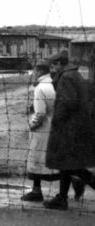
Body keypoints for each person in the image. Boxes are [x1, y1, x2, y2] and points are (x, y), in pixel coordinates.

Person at [43, 50, 95, 210]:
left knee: (71, 165)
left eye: (53, 65)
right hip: (77, 126)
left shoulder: (65, 77)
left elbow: (67, 102)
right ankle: (62, 197)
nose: (52, 69)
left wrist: (57, 119)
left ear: (60, 64)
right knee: (66, 164)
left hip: (68, 129)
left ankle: (63, 197)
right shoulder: (75, 75)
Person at [21, 60, 60, 202]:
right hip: (52, 126)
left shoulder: (40, 88)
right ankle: (73, 180)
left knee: (36, 159)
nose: (33, 74)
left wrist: (31, 125)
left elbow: (40, 114)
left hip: (42, 130)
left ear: (40, 72)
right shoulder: (51, 85)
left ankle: (36, 191)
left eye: (34, 71)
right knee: (49, 160)